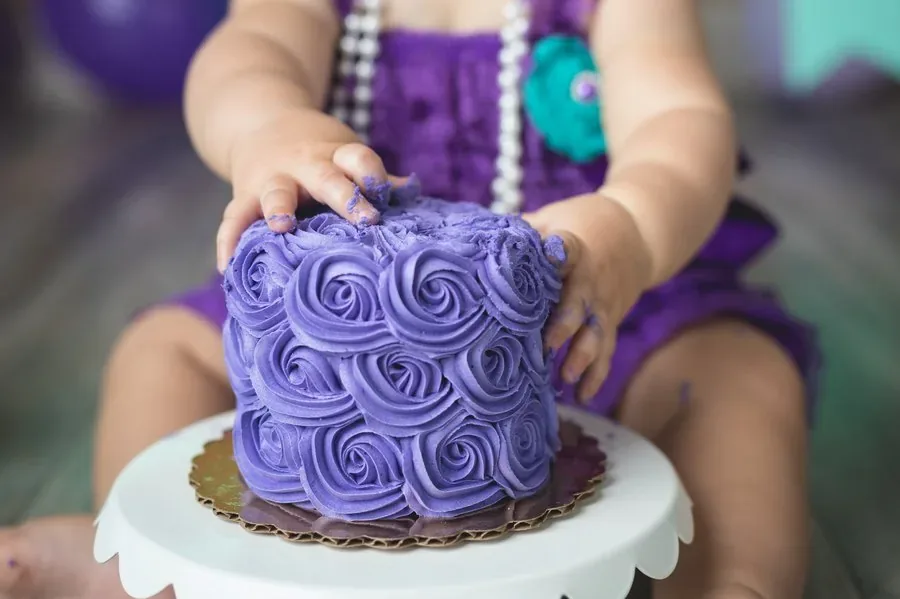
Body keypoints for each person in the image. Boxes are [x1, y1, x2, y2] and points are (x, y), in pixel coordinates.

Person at [0, 0, 819, 597]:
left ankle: (725, 576)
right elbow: (241, 58)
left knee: (734, 376)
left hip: (594, 306)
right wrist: (269, 125)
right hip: (331, 340)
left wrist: (630, 227)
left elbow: (680, 119)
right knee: (162, 350)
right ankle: (156, 569)